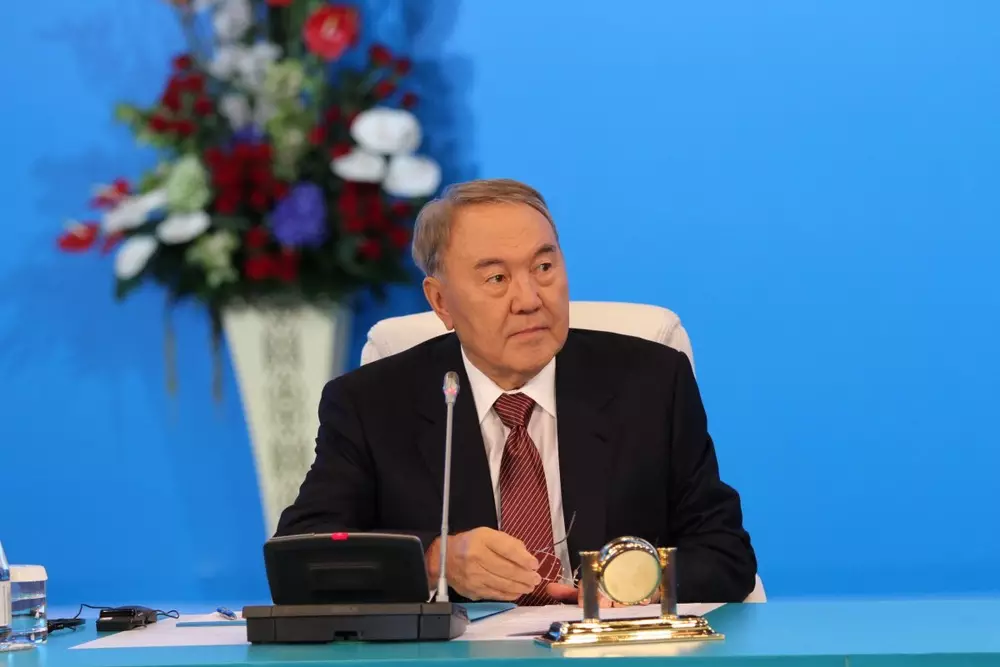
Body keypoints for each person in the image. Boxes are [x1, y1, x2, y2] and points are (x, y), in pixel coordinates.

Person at [275, 178, 757, 605]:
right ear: (441, 301)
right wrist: (435, 559)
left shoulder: (651, 382)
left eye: (544, 267)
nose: (529, 300)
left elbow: (725, 554)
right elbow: (303, 555)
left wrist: (635, 584)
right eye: (497, 278)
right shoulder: (372, 404)